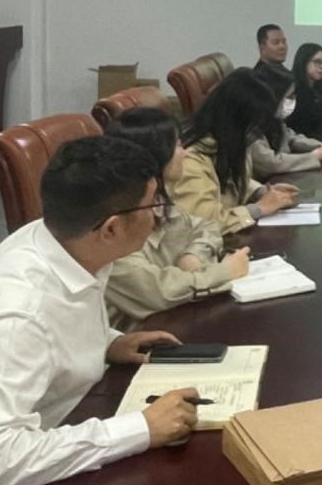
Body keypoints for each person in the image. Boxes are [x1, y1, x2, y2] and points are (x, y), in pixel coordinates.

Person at [0, 135, 201, 485]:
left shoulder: (65, 242)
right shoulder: (16, 318)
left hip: (64, 426)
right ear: (111, 229)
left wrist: (107, 342)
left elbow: (58, 324)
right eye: (153, 203)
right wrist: (140, 429)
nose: (158, 215)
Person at [103, 107, 252, 330]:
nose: (185, 153)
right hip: (132, 337)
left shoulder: (159, 201)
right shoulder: (115, 221)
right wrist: (225, 272)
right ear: (156, 156)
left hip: (171, 321)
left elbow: (206, 226)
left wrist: (193, 254)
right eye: (178, 146)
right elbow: (157, 292)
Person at [171, 68, 300, 234]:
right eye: (252, 127)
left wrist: (260, 192)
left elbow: (227, 183)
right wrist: (259, 209)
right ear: (236, 122)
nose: (255, 135)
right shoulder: (191, 159)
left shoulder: (226, 142)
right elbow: (204, 222)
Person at [250, 63, 322, 178]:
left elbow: (291, 138)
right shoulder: (251, 125)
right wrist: (311, 157)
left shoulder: (275, 119)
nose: (292, 101)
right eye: (289, 97)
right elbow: (270, 163)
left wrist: (317, 146)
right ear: (273, 96)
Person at [287, 42, 322, 141]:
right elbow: (316, 118)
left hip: (315, 143)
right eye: (317, 62)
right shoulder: (293, 89)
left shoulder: (318, 89)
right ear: (303, 62)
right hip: (297, 144)